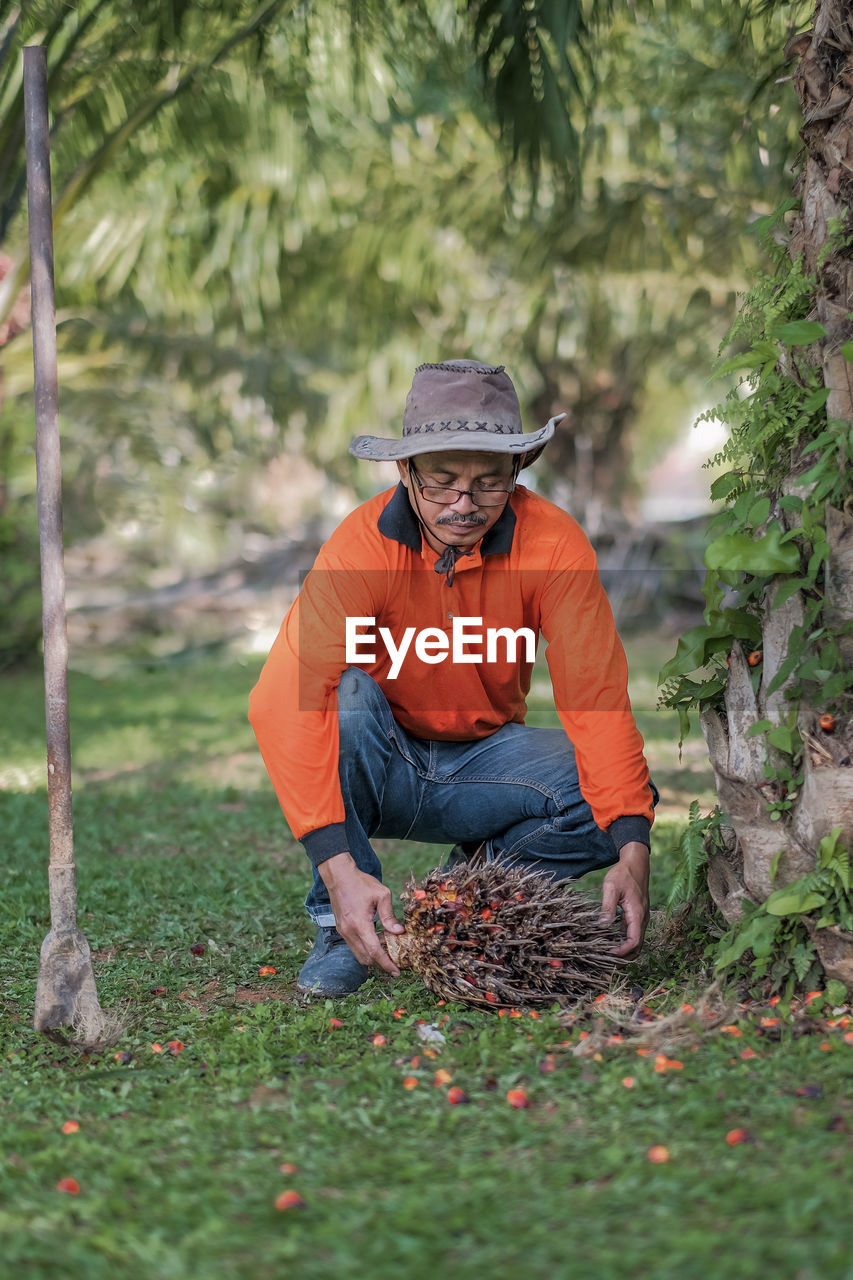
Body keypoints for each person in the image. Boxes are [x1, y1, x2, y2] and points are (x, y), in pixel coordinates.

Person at [249, 359, 656, 997]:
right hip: (381, 759)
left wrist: (634, 850)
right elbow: (282, 700)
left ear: (516, 473)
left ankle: (454, 906)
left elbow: (595, 696)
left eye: (488, 483)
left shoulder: (554, 544)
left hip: (485, 765)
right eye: (440, 481)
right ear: (404, 471)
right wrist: (338, 868)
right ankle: (341, 921)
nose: (463, 505)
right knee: (347, 694)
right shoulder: (360, 546)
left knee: (612, 802)